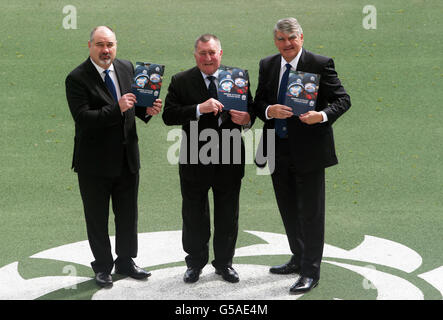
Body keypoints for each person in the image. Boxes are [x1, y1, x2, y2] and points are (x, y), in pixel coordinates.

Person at [254, 18, 351, 294]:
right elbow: (258, 101)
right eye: (281, 40)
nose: (287, 45)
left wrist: (320, 116)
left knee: (310, 213)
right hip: (276, 148)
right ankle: (297, 258)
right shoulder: (268, 65)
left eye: (291, 39)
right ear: (275, 41)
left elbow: (343, 99)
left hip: (309, 152)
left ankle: (310, 271)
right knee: (288, 209)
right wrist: (269, 110)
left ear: (301, 38)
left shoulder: (320, 64)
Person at [65, 26, 162, 287]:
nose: (105, 50)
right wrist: (116, 108)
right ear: (89, 46)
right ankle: (102, 266)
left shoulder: (126, 67)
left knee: (128, 214)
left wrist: (147, 111)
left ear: (115, 46)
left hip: (126, 158)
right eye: (99, 45)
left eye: (109, 44)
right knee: (97, 217)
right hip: (93, 163)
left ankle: (126, 261)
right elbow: (84, 119)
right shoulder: (76, 78)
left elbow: (134, 106)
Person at [162, 34, 254, 284]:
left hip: (230, 156)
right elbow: (168, 115)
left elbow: (250, 111)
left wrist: (246, 119)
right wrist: (198, 109)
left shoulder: (238, 78)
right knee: (194, 214)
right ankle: (194, 263)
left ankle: (224, 263)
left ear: (220, 54)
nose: (208, 58)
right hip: (195, 157)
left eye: (212, 53)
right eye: (203, 53)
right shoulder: (181, 81)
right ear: (195, 55)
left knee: (228, 214)